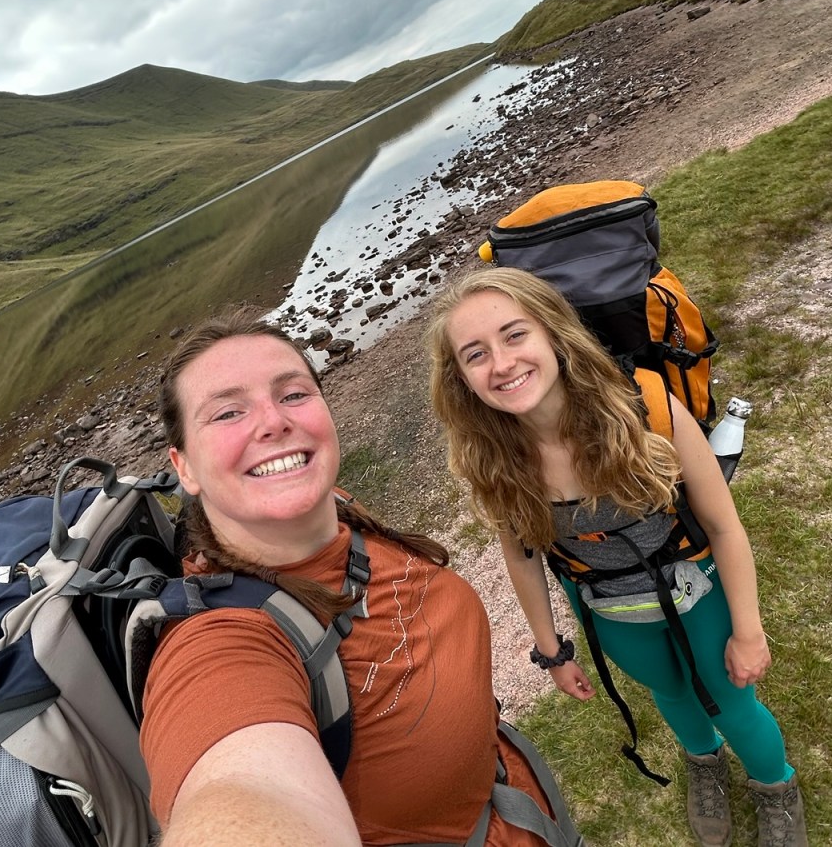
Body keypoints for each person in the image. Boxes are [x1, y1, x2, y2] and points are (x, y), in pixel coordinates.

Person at [140, 308, 584, 846]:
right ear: (183, 466)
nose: (273, 421)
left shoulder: (337, 513)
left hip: (520, 803)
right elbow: (242, 790)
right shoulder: (222, 646)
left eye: (294, 394)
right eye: (228, 412)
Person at [427, 268, 808, 847]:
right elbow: (524, 558)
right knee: (672, 692)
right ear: (461, 378)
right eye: (475, 354)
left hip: (695, 589)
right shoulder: (490, 458)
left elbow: (724, 526)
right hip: (607, 609)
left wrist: (749, 631)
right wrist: (551, 651)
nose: (501, 364)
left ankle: (775, 787)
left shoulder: (649, 408)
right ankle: (703, 761)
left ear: (555, 334)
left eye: (514, 335)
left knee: (731, 699)